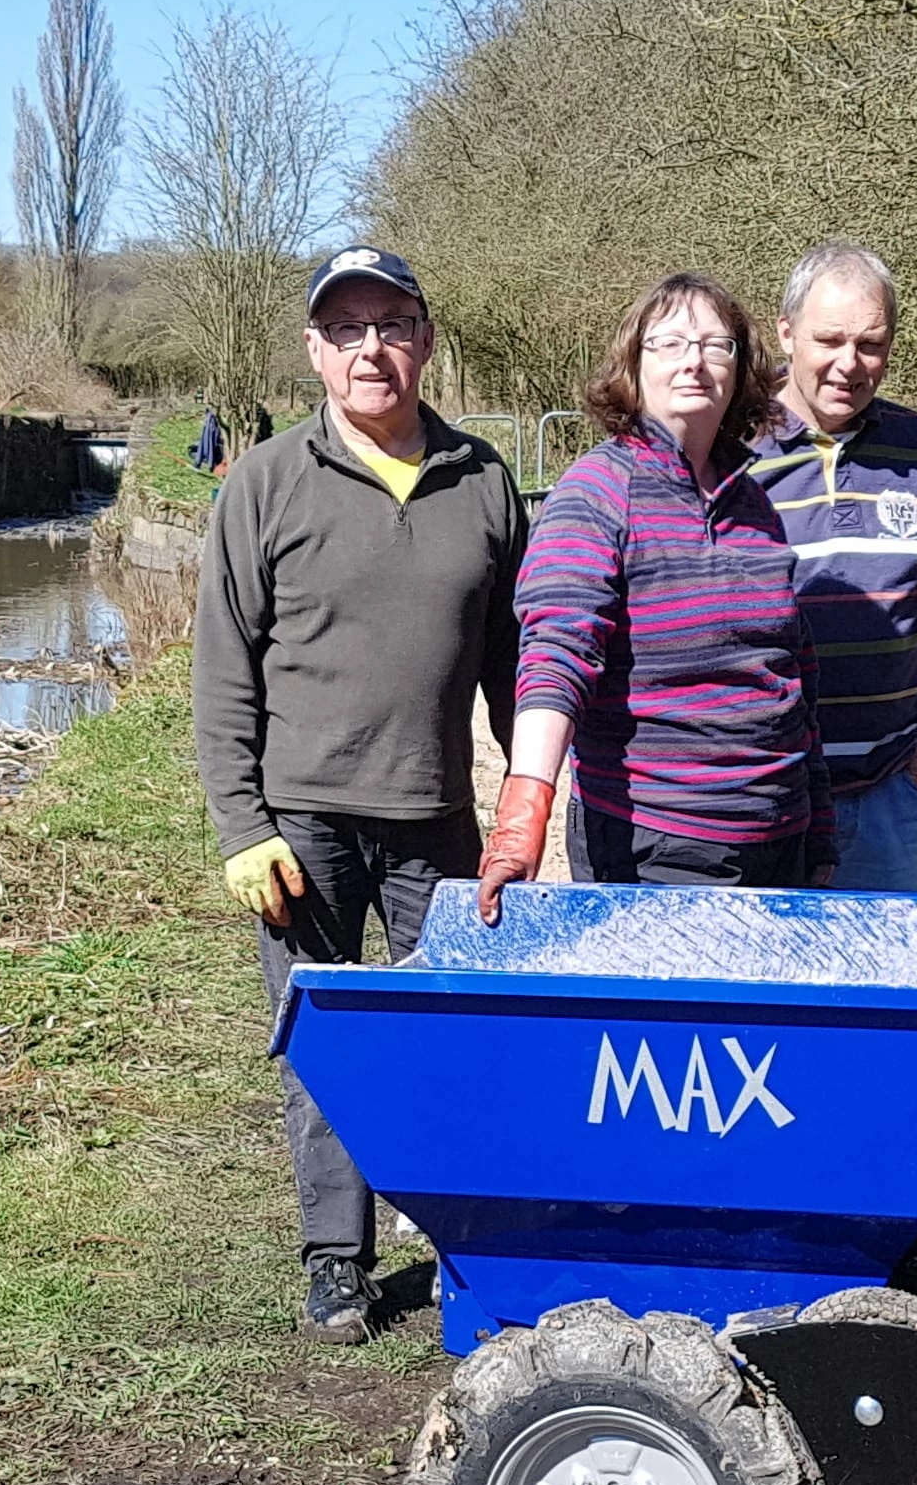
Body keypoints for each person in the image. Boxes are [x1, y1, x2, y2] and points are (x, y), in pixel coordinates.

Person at [195, 245, 528, 1343]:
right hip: (304, 829)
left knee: (456, 1044)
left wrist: (531, 797)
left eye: (392, 325)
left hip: (436, 821)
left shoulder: (484, 483)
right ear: (315, 352)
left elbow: (517, 669)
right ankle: (336, 1260)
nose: (371, 348)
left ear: (426, 341)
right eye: (347, 330)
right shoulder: (263, 483)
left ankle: (463, 1254)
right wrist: (243, 826)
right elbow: (222, 671)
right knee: (329, 1050)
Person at [482, 272, 830, 911]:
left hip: (782, 839)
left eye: (714, 345)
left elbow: (792, 673)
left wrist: (820, 823)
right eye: (668, 343)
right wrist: (523, 811)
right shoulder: (595, 493)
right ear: (632, 368)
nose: (693, 361)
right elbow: (556, 657)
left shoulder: (753, 502)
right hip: (655, 844)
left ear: (741, 368)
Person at [751, 241, 917, 893]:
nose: (849, 365)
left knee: (894, 995)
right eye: (830, 340)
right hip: (766, 803)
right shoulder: (728, 445)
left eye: (871, 344)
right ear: (786, 332)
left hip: (895, 801)